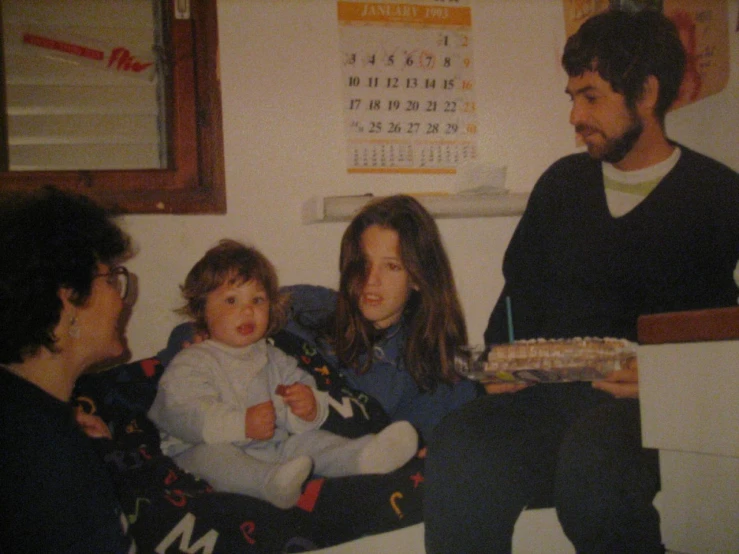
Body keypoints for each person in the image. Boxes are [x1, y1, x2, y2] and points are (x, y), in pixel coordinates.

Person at [424, 8, 739, 554]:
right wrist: (498, 364)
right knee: (460, 442)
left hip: (652, 410)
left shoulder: (718, 195)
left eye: (590, 96)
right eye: (572, 96)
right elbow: (514, 302)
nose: (575, 115)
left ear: (645, 92)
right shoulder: (560, 186)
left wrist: (665, 378)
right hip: (549, 402)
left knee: (594, 471)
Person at [148, 239, 419, 509]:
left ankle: (365, 456)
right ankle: (270, 484)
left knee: (309, 444)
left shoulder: (275, 357)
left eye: (257, 300)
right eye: (231, 300)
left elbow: (302, 391)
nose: (247, 310)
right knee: (214, 457)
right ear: (202, 311)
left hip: (273, 448)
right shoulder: (193, 359)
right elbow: (180, 412)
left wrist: (308, 407)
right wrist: (241, 424)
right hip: (199, 450)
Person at [284, 194, 483, 444]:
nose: (371, 279)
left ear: (418, 278)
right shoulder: (305, 306)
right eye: (363, 263)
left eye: (391, 267)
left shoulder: (428, 369)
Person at [0, 187, 135, 553]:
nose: (121, 299)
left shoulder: (29, 415)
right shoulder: (42, 456)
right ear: (68, 297)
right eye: (110, 279)